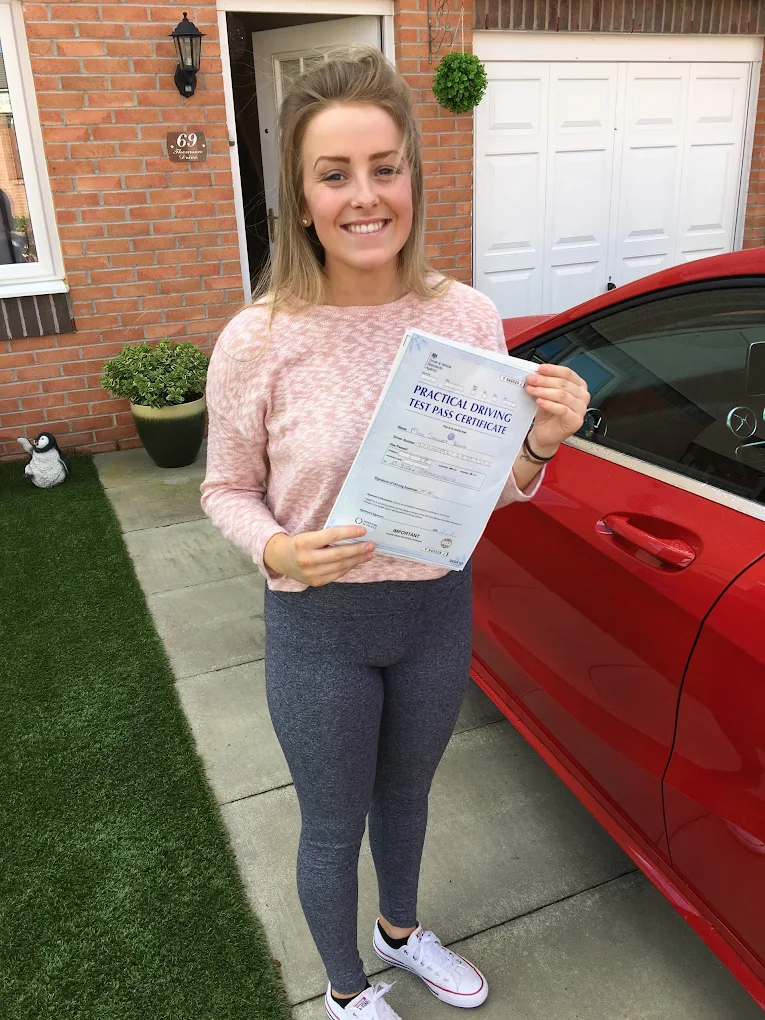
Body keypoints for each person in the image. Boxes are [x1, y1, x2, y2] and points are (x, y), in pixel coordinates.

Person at [201, 47, 589, 1020]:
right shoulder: (261, 336)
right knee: (333, 826)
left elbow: (485, 490)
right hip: (320, 627)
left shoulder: (467, 317)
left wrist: (538, 444)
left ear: (412, 174)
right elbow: (224, 489)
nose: (365, 196)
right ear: (300, 196)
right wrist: (275, 550)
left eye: (385, 167)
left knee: (409, 799)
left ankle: (401, 935)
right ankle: (343, 991)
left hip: (433, 611)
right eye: (335, 174)